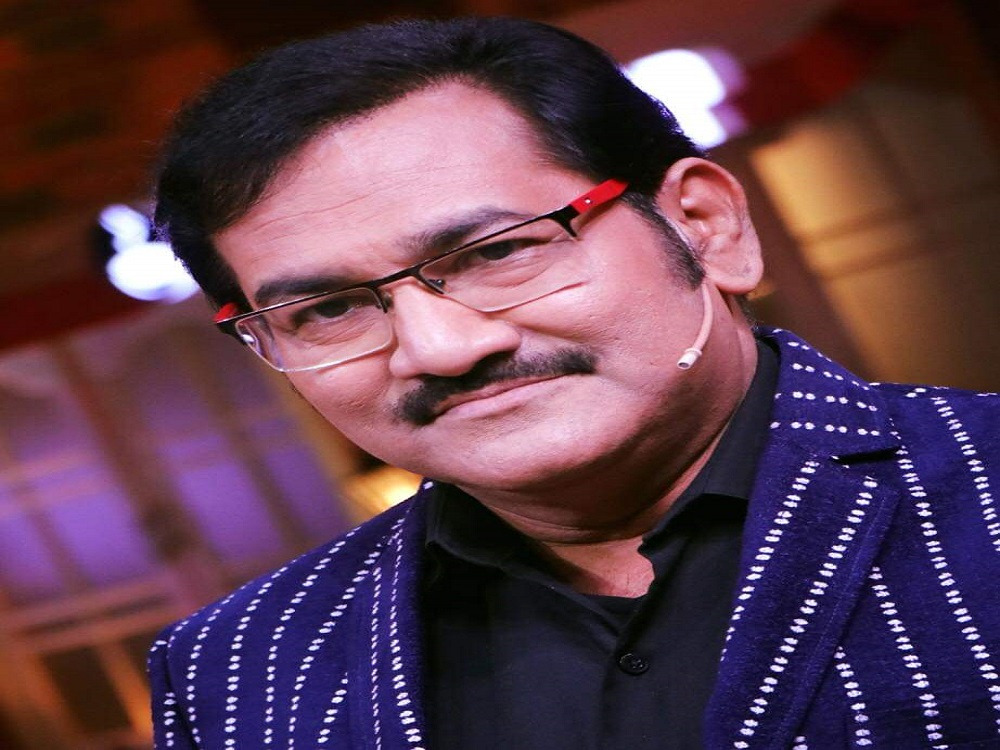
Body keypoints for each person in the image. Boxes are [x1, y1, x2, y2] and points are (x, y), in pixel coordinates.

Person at [147, 16, 1000, 750]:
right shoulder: (236, 669)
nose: (441, 349)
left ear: (704, 226)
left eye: (498, 252)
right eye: (329, 309)